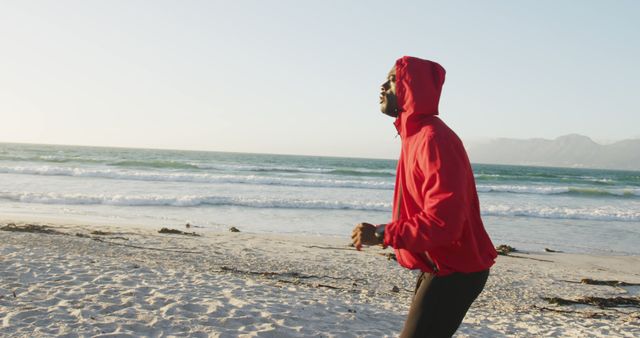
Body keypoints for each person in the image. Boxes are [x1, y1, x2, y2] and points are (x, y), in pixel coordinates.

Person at [351, 56, 497, 338]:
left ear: (413, 87)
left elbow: (444, 222)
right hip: (440, 265)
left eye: (393, 79)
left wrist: (383, 234)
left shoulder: (432, 139)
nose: (382, 86)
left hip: (457, 269)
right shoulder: (414, 136)